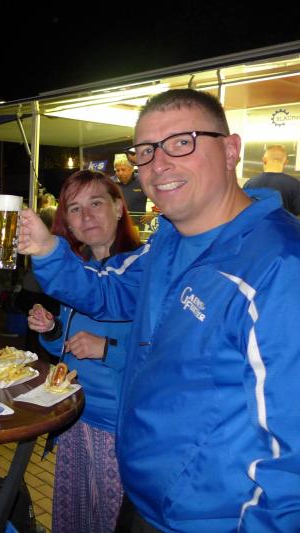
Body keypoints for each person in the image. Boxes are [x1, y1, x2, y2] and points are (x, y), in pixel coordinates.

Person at [18, 88, 300, 531]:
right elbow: (108, 295)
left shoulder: (281, 266)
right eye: (146, 150)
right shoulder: (167, 242)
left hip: (213, 519)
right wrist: (47, 249)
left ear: (231, 150)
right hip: (145, 498)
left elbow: (291, 466)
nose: (159, 164)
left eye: (182, 142)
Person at [27, 170, 141, 532]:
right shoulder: (79, 273)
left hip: (118, 429)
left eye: (96, 203)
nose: (86, 216)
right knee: (74, 521)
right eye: (75, 209)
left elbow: (162, 351)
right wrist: (51, 329)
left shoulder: (142, 268)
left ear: (119, 207)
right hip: (74, 416)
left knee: (112, 523)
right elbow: (65, 346)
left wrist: (106, 348)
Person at [244, 144, 300, 215]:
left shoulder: (249, 184)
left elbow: (242, 213)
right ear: (286, 162)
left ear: (264, 160)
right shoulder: (295, 185)